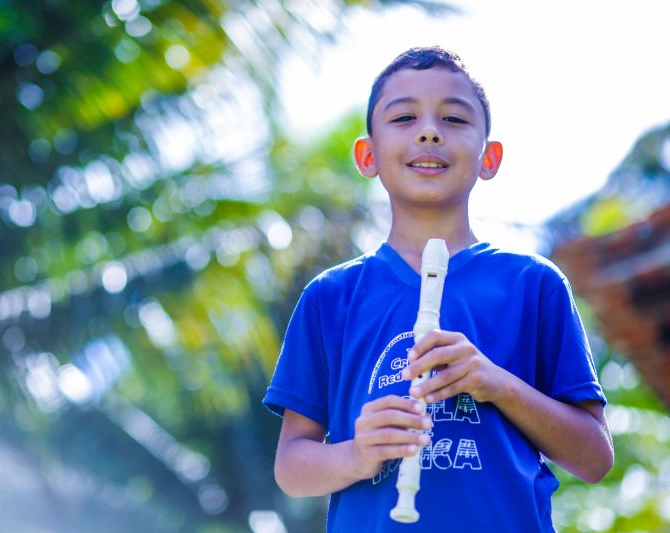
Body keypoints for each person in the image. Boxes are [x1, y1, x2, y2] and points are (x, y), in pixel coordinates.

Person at [262, 46, 613, 532]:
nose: (429, 131)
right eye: (404, 117)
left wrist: (496, 382)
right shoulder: (331, 297)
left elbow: (594, 458)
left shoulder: (534, 285)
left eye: (453, 118)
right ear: (368, 156)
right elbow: (291, 467)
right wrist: (359, 454)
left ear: (489, 158)